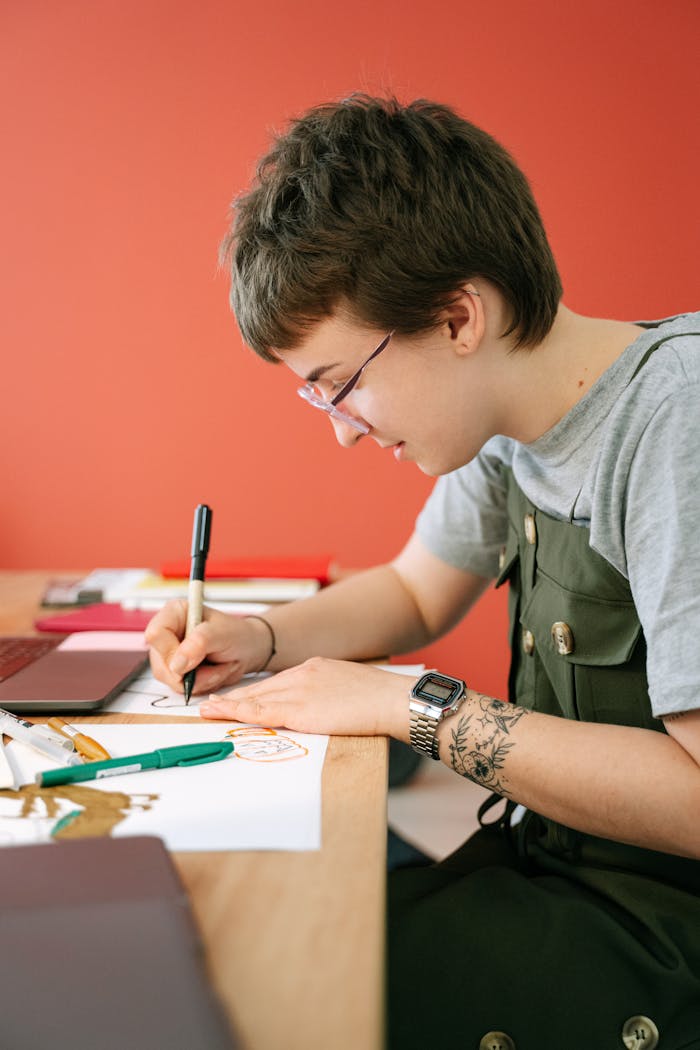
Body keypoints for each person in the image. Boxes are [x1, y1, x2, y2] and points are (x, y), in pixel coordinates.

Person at [145, 95, 700, 1049]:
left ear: (455, 317)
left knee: (278, 987)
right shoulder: (506, 418)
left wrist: (417, 708)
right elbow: (415, 590)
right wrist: (263, 636)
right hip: (555, 857)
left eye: (341, 383)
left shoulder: (673, 425)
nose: (342, 429)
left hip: (665, 923)